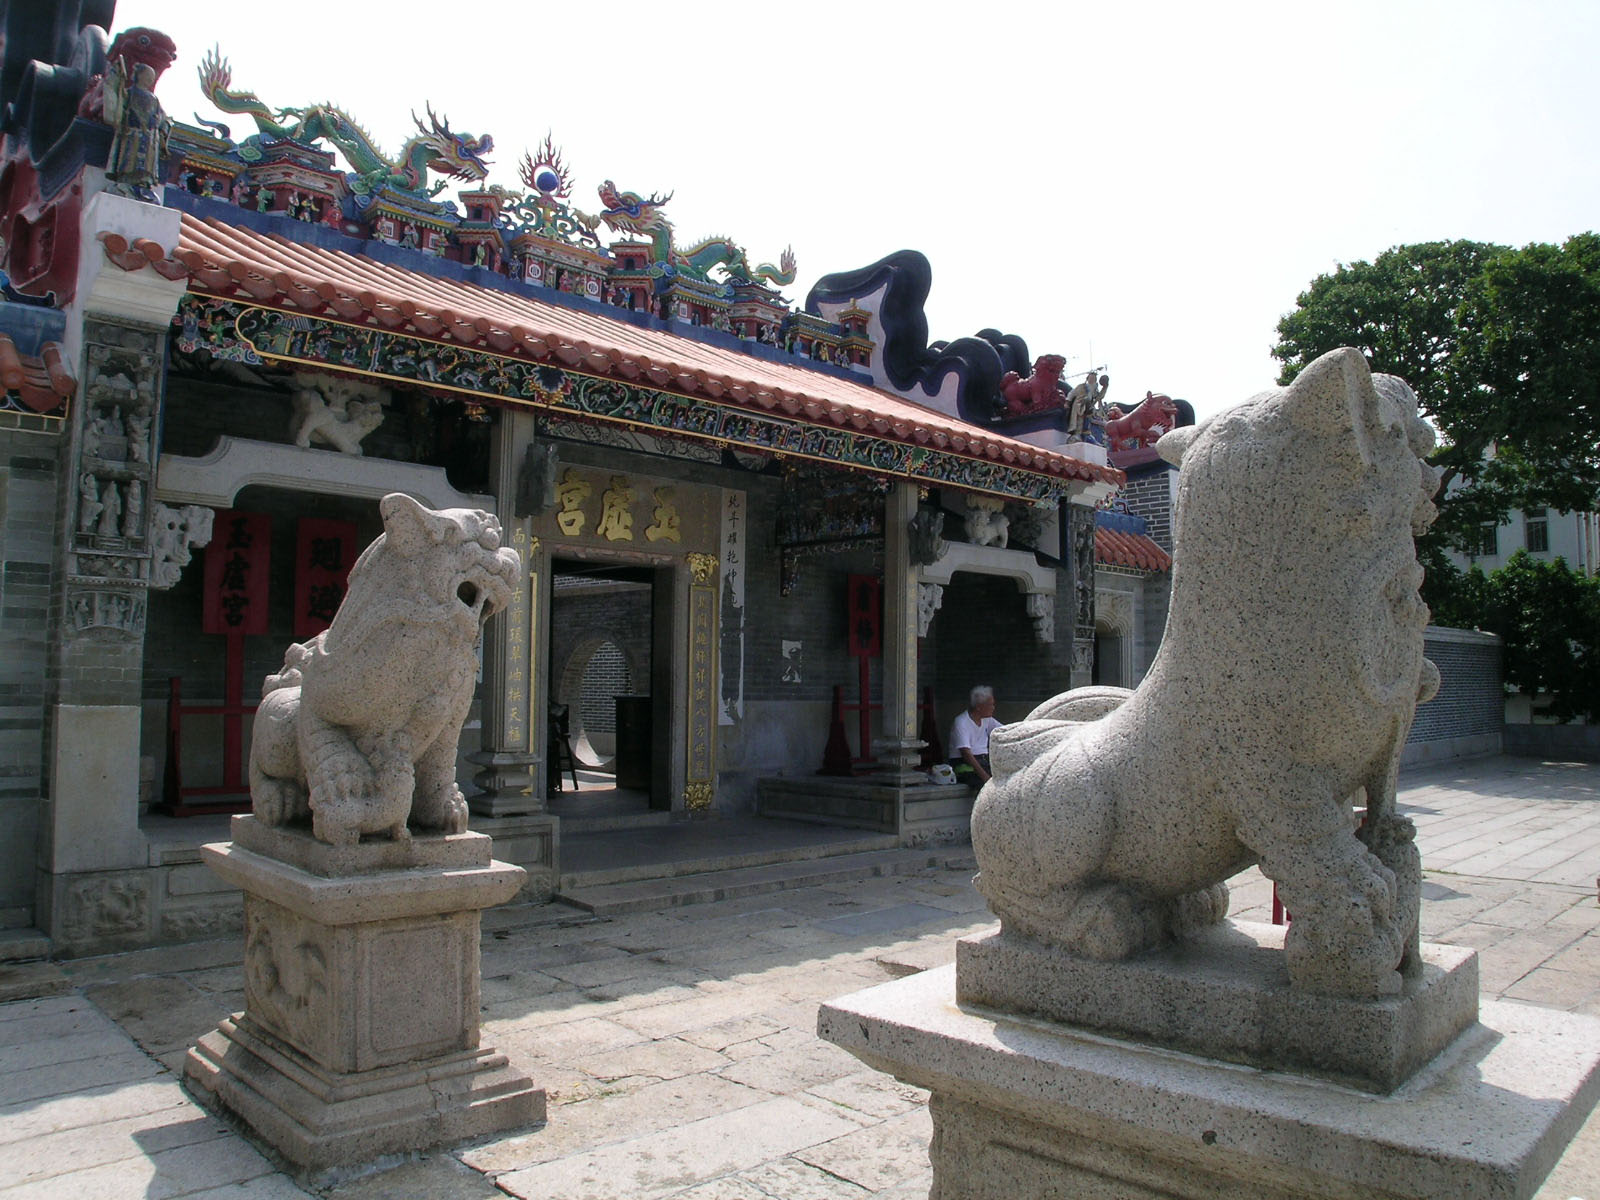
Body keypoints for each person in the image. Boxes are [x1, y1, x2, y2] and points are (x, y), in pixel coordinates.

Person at [950, 685, 1002, 787]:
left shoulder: (987, 719)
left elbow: (1003, 731)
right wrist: (985, 777)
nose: (993, 708)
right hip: (965, 764)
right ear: (979, 707)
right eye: (990, 705)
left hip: (984, 760)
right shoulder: (961, 722)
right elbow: (966, 753)